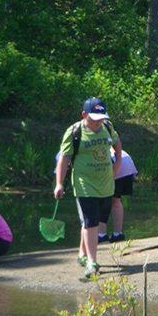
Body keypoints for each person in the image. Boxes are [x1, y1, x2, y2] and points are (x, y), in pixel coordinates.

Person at [55, 98, 122, 279]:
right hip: (84, 185)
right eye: (94, 118)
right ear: (84, 115)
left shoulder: (107, 128)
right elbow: (64, 158)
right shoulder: (75, 131)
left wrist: (116, 168)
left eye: (101, 117)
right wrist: (59, 183)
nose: (99, 121)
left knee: (92, 221)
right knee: (91, 222)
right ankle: (92, 262)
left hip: (106, 184)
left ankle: (82, 254)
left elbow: (117, 145)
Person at [98, 147, 137, 244]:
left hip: (113, 163)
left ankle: (101, 234)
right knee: (116, 200)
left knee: (102, 199)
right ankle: (118, 234)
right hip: (126, 161)